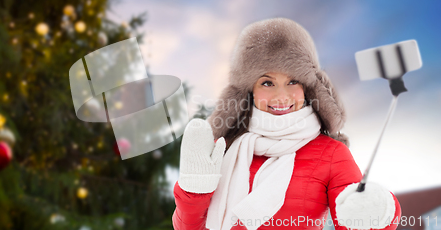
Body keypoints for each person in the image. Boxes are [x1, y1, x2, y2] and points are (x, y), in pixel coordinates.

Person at [172, 18, 401, 230]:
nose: (282, 96)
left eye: (293, 81)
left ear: (308, 88)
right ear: (249, 91)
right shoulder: (223, 150)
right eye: (267, 83)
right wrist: (194, 191)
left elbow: (355, 221)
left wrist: (375, 211)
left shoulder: (332, 154)